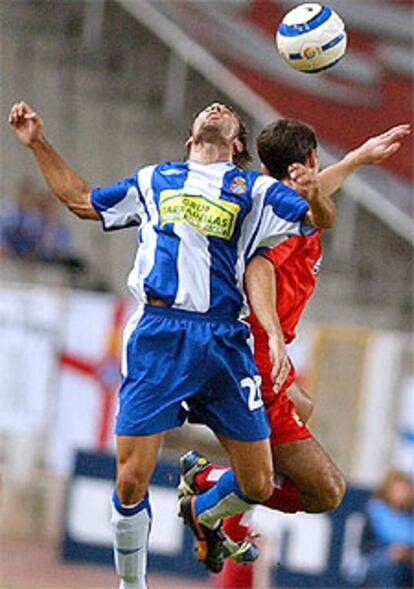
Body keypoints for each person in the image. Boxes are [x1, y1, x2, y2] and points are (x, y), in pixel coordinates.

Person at [9, 100, 334, 588]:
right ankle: (131, 584)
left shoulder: (254, 190)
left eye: (225, 113)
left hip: (225, 340)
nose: (216, 107)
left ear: (237, 144)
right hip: (160, 335)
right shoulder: (154, 179)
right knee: (129, 479)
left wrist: (315, 195)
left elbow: (317, 219)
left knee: (257, 482)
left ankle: (204, 504)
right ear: (190, 138)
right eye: (207, 110)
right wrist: (38, 143)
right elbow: (82, 200)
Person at [178, 119, 411, 584]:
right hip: (256, 357)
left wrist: (359, 157)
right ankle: (206, 496)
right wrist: (274, 333)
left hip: (245, 351)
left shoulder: (274, 196)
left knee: (304, 405)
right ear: (306, 161)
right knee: (327, 493)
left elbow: (320, 191)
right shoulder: (281, 222)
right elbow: (259, 269)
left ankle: (215, 488)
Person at [345, 470, 413, 588]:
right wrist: (396, 551)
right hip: (372, 562)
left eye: (406, 490)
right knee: (390, 564)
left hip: (406, 561)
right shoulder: (374, 510)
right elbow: (381, 540)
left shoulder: (410, 515)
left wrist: (407, 553)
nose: (403, 494)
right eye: (399, 489)